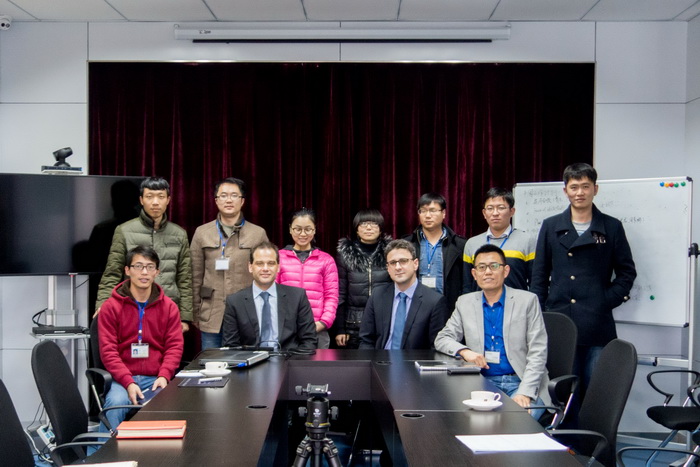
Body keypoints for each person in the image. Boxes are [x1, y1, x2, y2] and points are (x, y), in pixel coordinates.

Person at [530, 162, 636, 394]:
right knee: (562, 390)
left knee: (596, 390)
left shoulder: (611, 226)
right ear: (565, 190)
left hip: (596, 321)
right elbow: (539, 275)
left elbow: (627, 272)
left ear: (595, 189)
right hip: (559, 320)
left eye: (585, 186)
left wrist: (605, 299)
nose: (580, 192)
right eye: (574, 187)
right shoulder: (550, 225)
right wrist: (541, 311)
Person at [435, 244, 549, 419]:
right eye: (481, 267)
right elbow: (442, 338)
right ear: (474, 274)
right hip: (481, 383)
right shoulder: (465, 303)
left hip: (520, 382)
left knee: (517, 421)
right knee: (465, 421)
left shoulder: (527, 301)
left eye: (494, 266)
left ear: (506, 271)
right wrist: (465, 352)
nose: (487, 272)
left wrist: (524, 392)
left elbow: (538, 351)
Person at [98, 246, 184, 431]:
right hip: (122, 379)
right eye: (138, 266)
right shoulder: (110, 307)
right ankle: (102, 449)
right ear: (127, 270)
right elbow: (108, 351)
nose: (144, 272)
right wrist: (128, 382)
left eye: (150, 267)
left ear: (157, 272)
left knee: (172, 404)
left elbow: (174, 347)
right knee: (115, 404)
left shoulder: (169, 307)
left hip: (155, 378)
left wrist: (164, 375)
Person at [96, 177, 193, 333]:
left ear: (168, 200)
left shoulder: (179, 234)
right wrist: (103, 305)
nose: (155, 202)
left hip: (168, 310)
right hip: (132, 308)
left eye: (160, 197)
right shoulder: (124, 230)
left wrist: (185, 318)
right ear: (141, 200)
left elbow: (185, 278)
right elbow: (112, 273)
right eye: (149, 197)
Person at [190, 177, 269, 350]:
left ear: (242, 201)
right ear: (216, 200)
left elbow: (266, 275)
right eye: (223, 195)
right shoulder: (202, 232)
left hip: (248, 313)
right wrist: (195, 312)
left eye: (234, 195)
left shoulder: (257, 234)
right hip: (212, 313)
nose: (228, 200)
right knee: (212, 363)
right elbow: (194, 276)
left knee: (246, 363)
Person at [221, 242, 317, 350]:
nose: (265, 268)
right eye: (259, 264)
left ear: (278, 267)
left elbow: (309, 340)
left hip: (289, 358)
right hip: (251, 359)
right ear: (250, 267)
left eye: (271, 263)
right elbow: (231, 346)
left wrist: (294, 360)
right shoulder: (235, 302)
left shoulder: (297, 297)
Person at [359, 239, 448, 350]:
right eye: (393, 263)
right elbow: (366, 340)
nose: (398, 267)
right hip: (381, 359)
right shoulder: (377, 295)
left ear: (415, 264)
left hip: (414, 360)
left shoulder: (434, 301)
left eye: (403, 261)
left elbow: (436, 346)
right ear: (388, 268)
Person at [276, 209, 339, 349]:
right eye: (298, 229)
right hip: (285, 330)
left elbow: (332, 296)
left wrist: (323, 323)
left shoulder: (326, 260)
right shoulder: (279, 257)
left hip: (317, 329)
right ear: (290, 229)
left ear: (314, 230)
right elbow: (273, 292)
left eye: (308, 229)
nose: (303, 234)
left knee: (317, 363)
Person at [335, 209, 393, 349]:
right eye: (363, 224)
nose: (368, 227)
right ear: (356, 229)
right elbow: (341, 293)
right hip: (353, 323)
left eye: (373, 223)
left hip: (385, 319)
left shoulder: (391, 252)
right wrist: (340, 329)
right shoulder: (345, 254)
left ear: (380, 228)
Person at [463, 187, 536, 292]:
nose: (495, 213)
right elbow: (467, 285)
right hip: (480, 301)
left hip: (517, 301)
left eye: (501, 208)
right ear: (484, 213)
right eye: (490, 208)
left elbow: (535, 282)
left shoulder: (527, 241)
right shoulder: (472, 243)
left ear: (512, 211)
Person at [403, 193, 466, 312]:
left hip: (448, 308)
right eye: (423, 211)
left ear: (443, 213)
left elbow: (466, 282)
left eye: (433, 210)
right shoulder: (407, 244)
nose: (428, 215)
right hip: (414, 309)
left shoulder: (459, 245)